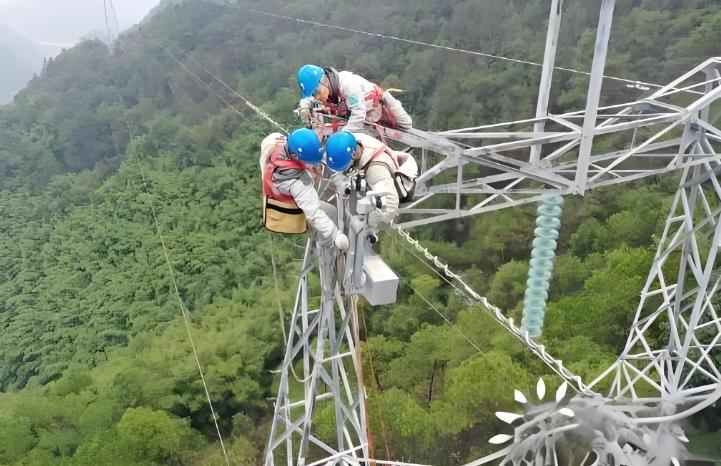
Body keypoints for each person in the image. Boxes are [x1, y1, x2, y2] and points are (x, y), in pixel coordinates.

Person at [260, 128, 348, 251]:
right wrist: (336, 235)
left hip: (276, 192)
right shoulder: (297, 182)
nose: (312, 165)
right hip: (290, 208)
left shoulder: (275, 145)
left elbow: (270, 139)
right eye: (309, 162)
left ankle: (322, 239)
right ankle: (327, 246)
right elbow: (314, 214)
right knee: (331, 212)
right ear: (295, 156)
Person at [325, 131, 417, 233]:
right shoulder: (350, 140)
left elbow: (390, 205)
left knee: (371, 204)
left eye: (347, 165)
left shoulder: (375, 170)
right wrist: (342, 184)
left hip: (392, 187)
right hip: (375, 175)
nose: (347, 168)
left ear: (354, 155)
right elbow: (336, 163)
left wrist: (366, 223)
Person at [296, 65, 412, 133]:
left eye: (316, 92)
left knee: (406, 125)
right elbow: (310, 96)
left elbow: (358, 113)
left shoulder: (348, 86)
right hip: (364, 116)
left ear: (323, 81)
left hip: (380, 105)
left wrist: (344, 134)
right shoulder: (326, 89)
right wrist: (304, 105)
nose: (317, 97)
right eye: (313, 94)